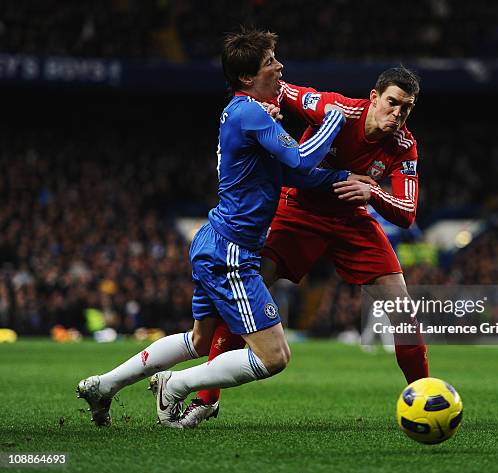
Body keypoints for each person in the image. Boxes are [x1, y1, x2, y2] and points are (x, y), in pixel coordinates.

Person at [76, 27, 370, 427]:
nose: (280, 67)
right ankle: (175, 386)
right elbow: (301, 160)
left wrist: (339, 180)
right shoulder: (250, 112)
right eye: (270, 62)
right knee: (274, 356)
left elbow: (290, 174)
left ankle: (103, 385)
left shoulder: (249, 112)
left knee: (199, 340)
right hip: (232, 251)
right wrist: (335, 119)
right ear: (247, 77)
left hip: (217, 242)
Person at [181, 66, 430, 428]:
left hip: (351, 220)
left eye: (406, 108)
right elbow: (281, 88)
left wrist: (372, 192)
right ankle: (207, 399)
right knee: (249, 289)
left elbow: (408, 213)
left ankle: (424, 399)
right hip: (299, 209)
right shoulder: (336, 109)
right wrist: (266, 109)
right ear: (374, 98)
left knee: (403, 311)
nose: (398, 114)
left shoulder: (404, 145)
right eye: (392, 103)